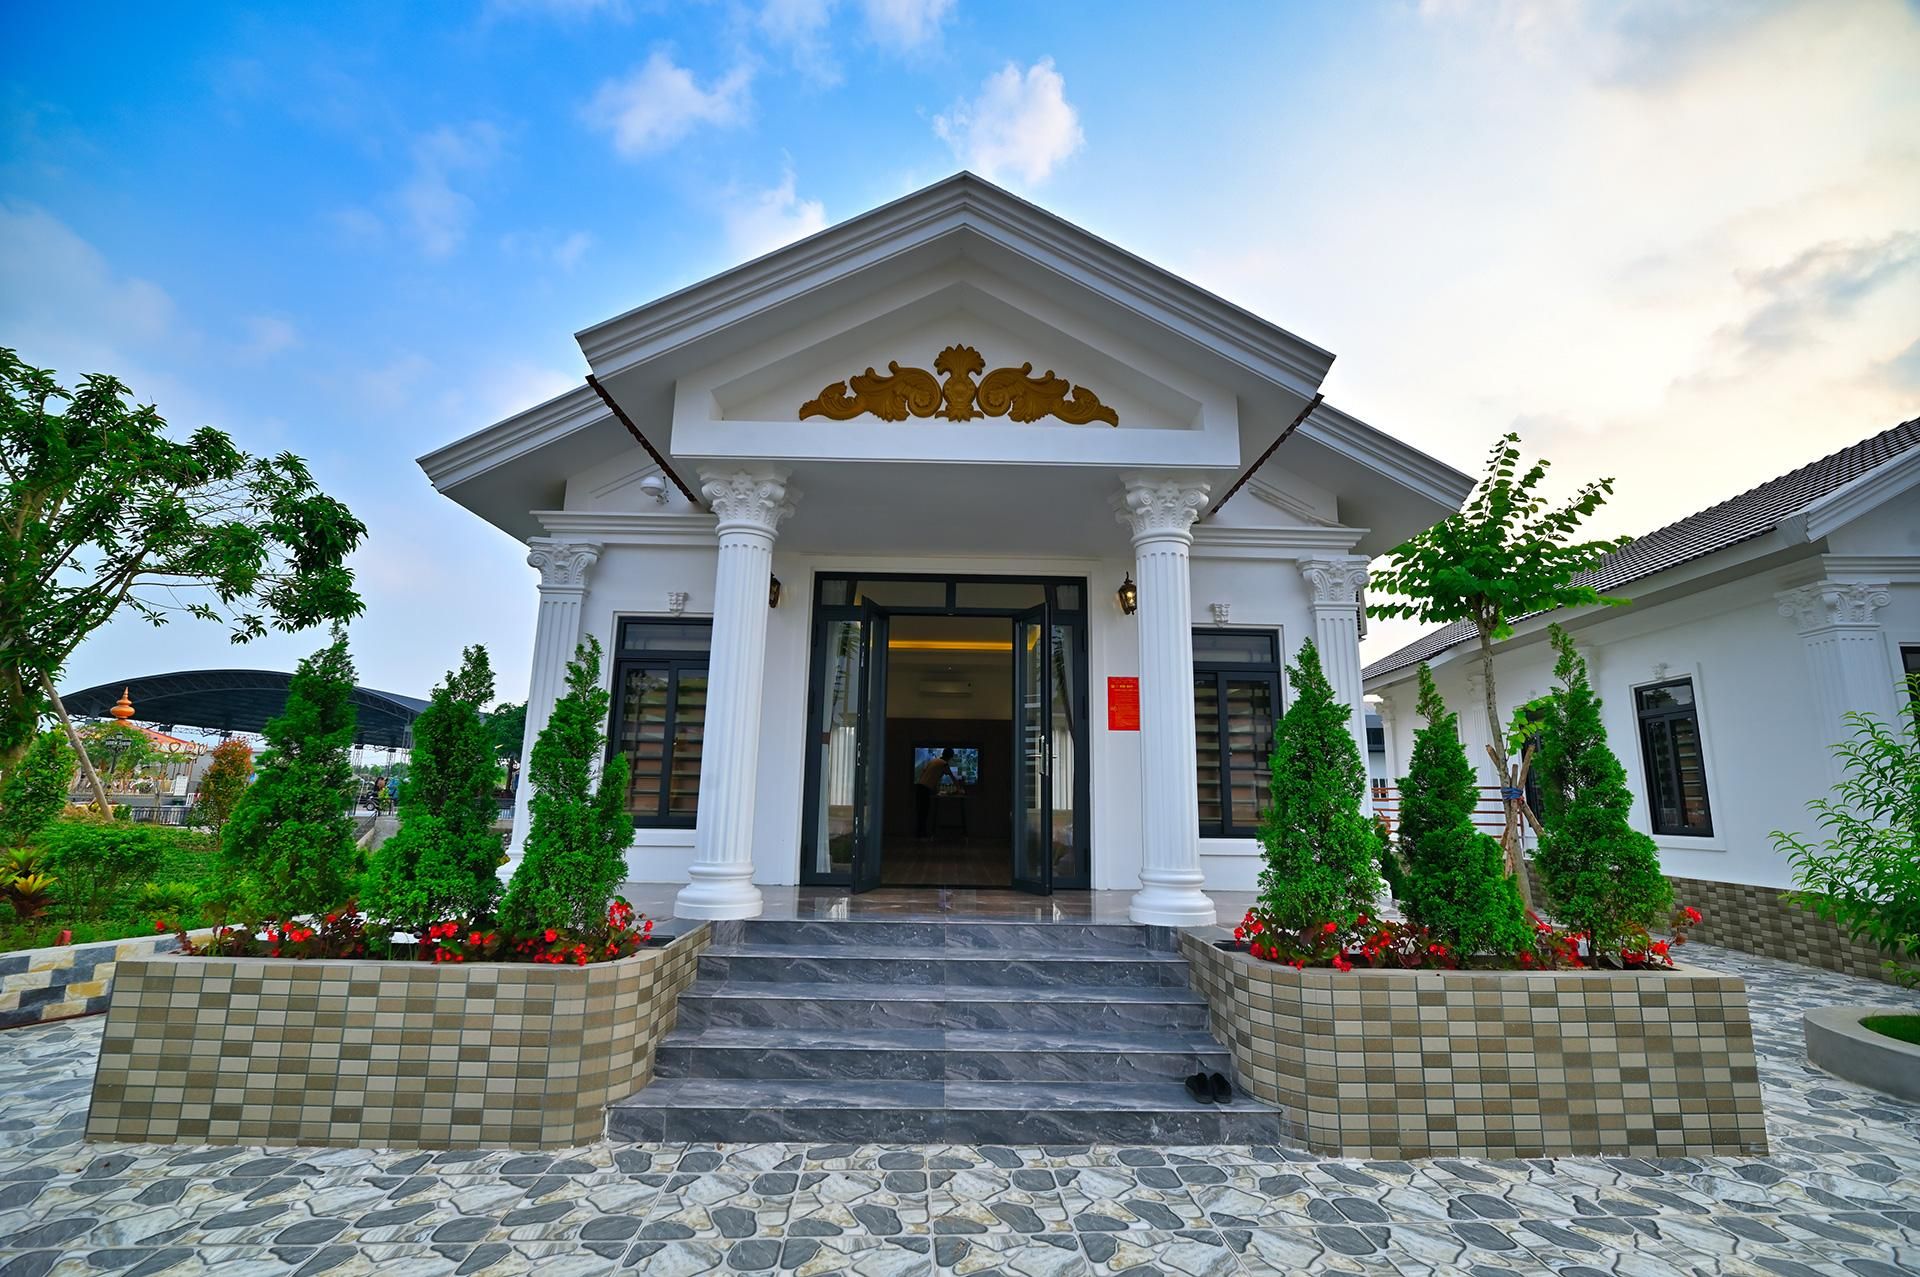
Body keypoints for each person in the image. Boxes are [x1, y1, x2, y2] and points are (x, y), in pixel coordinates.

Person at [914, 748, 960, 838]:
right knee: (924, 812)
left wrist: (936, 790)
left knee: (921, 812)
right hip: (926, 789)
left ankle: (920, 834)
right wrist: (959, 789)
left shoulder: (933, 761)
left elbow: (926, 774)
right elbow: (952, 777)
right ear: (950, 757)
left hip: (920, 786)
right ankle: (922, 834)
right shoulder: (944, 764)